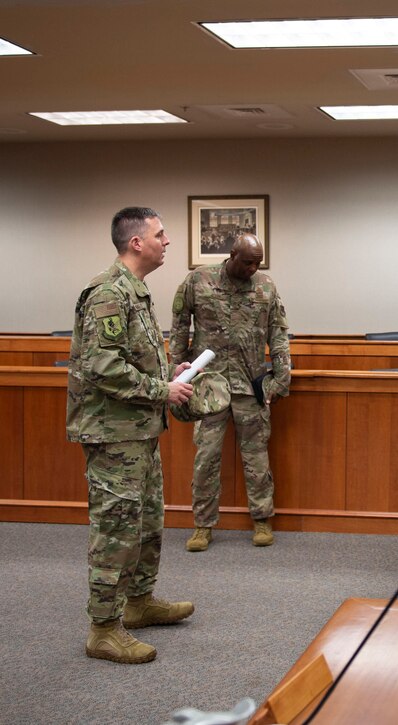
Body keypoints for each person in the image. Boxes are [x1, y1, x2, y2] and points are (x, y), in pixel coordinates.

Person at [67, 207, 196, 664]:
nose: (167, 241)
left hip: (138, 430)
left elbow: (130, 358)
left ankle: (138, 603)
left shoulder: (135, 291)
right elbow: (102, 367)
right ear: (137, 242)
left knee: (146, 523)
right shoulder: (108, 292)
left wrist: (169, 374)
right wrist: (163, 390)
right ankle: (103, 629)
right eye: (160, 234)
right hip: (112, 435)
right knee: (116, 528)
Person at [171, 233, 291, 551]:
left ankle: (262, 519)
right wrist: (176, 372)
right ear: (233, 254)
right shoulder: (198, 280)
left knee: (256, 457)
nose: (253, 268)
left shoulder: (266, 287)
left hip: (250, 384)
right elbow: (180, 326)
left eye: (257, 263)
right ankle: (202, 525)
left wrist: (281, 380)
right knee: (206, 457)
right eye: (248, 262)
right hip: (208, 386)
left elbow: (279, 334)